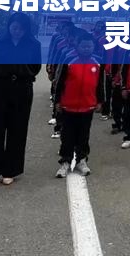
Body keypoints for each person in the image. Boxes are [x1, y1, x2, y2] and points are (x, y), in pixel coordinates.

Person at [0, 13, 42, 188]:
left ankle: (10, 170)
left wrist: (20, 72)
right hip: (0, 89)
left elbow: (35, 68)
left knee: (18, 130)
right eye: (14, 27)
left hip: (22, 90)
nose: (17, 31)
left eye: (21, 29)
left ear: (26, 29)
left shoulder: (33, 45)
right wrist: (6, 73)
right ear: (9, 27)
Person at [54, 33, 105, 177]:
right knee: (67, 136)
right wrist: (57, 101)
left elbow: (100, 85)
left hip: (87, 106)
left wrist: (100, 101)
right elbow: (60, 82)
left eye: (89, 46)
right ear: (77, 46)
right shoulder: (69, 60)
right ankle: (65, 161)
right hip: (68, 105)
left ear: (93, 47)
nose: (86, 49)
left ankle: (81, 160)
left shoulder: (98, 62)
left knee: (84, 135)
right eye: (83, 46)